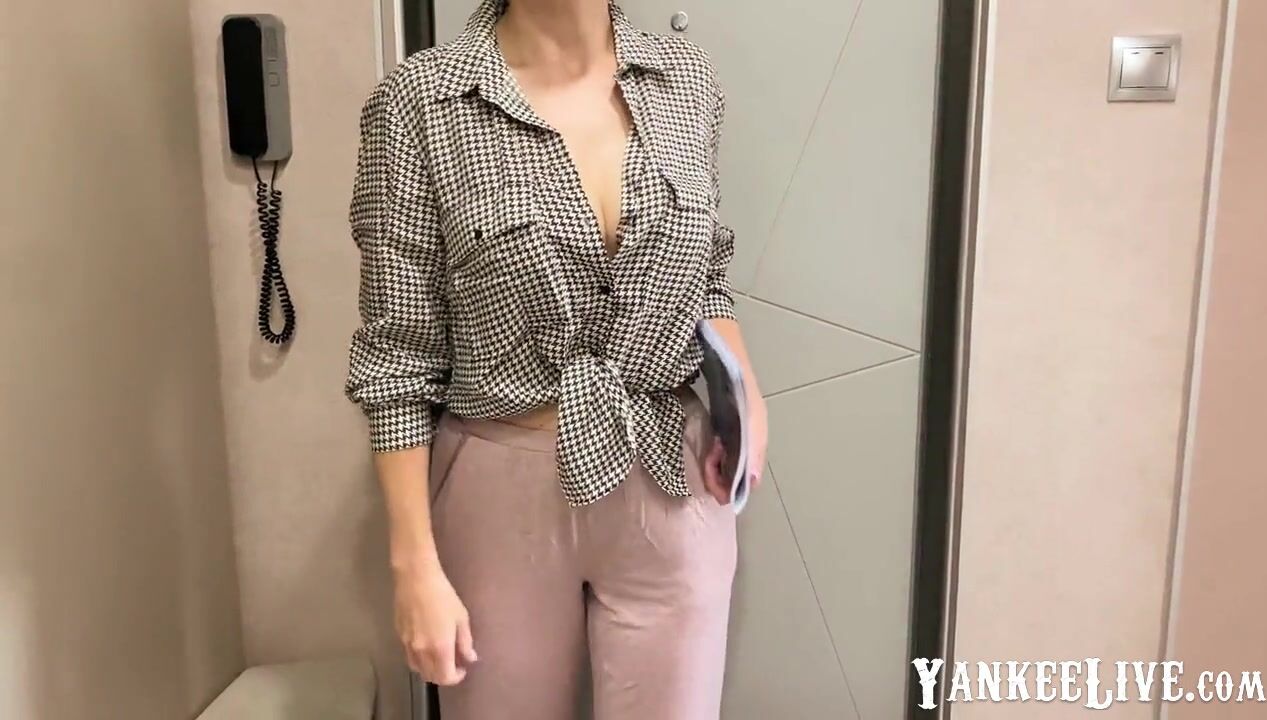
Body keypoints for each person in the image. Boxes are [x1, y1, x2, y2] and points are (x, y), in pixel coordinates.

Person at [343, 0, 768, 717]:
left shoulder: (686, 79)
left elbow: (708, 271)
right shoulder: (421, 101)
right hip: (499, 487)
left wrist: (745, 389)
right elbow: (397, 353)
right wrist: (412, 565)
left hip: (671, 469)